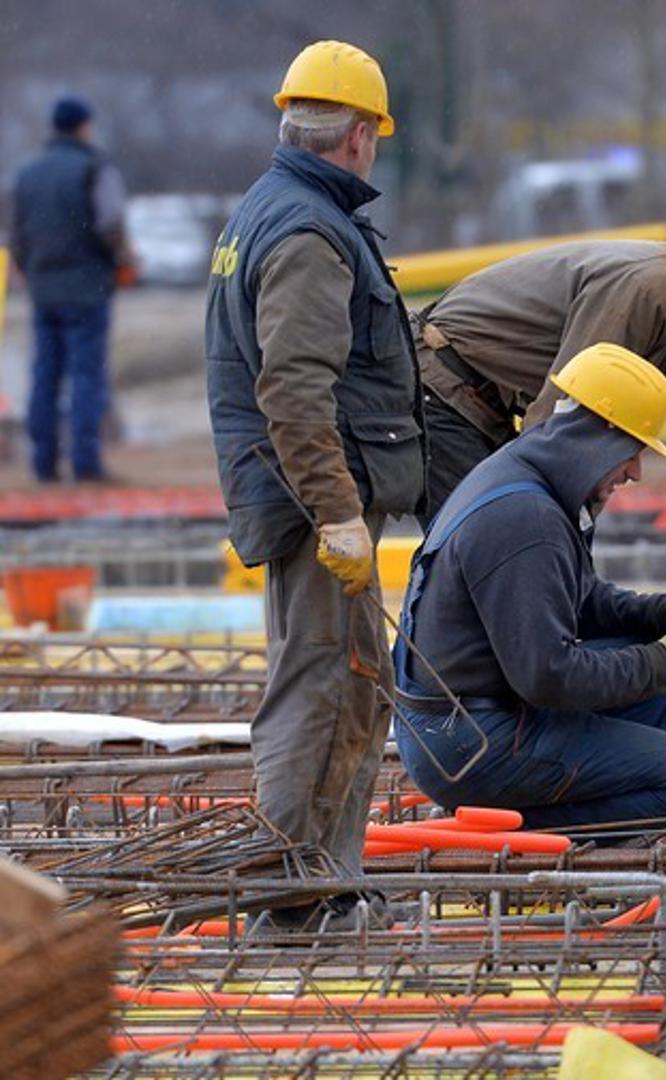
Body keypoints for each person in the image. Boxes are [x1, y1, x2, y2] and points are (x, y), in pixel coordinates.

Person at [205, 41, 423, 927]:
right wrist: (336, 514)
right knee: (323, 691)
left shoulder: (277, 209)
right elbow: (292, 389)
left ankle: (320, 887)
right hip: (311, 504)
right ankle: (290, 904)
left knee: (350, 685)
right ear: (361, 134)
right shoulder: (306, 231)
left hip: (298, 493)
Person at [393, 343, 666, 829]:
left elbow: (583, 599)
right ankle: (520, 821)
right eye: (633, 451)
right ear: (601, 437)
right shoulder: (525, 519)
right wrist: (660, 662)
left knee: (650, 669)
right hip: (470, 743)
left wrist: (665, 616)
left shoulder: (527, 479)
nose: (635, 472)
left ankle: (587, 782)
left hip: (466, 722)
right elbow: (547, 676)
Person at [412, 207, 666, 522]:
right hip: (445, 383)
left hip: (480, 399)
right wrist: (559, 521)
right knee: (489, 544)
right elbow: (561, 411)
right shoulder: (655, 290)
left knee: (510, 540)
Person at [10, 95, 131, 483]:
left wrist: (31, 273)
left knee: (44, 374)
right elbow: (111, 224)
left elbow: (16, 236)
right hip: (88, 289)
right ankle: (85, 462)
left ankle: (43, 463)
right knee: (86, 376)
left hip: (43, 290)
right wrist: (126, 262)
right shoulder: (94, 169)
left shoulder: (27, 174)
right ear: (83, 125)